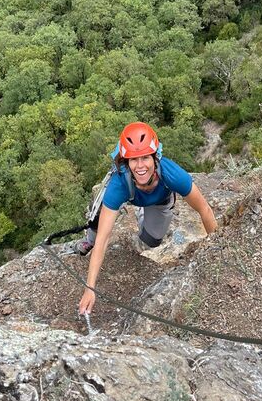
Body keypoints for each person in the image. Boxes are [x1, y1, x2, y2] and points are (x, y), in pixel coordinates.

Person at [77, 122, 218, 316]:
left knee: (152, 240)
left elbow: (204, 210)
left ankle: (142, 212)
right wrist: (90, 288)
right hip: (130, 193)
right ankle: (88, 238)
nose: (140, 165)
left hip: (159, 201)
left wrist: (217, 252)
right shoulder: (119, 182)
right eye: (134, 160)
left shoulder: (172, 174)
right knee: (98, 227)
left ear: (155, 158)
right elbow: (104, 240)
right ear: (126, 162)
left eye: (145, 158)